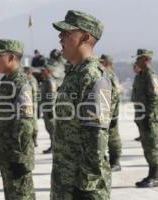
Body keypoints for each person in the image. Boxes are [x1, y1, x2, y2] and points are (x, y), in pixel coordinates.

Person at [51, 10, 112, 200]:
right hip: (65, 180)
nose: (60, 37)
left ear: (85, 37)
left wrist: (86, 186)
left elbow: (96, 137)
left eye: (67, 33)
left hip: (82, 186)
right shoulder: (75, 73)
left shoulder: (92, 76)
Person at [0, 39, 36, 200]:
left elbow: (25, 122)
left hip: (16, 157)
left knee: (22, 196)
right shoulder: (6, 82)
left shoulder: (21, 83)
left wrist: (20, 157)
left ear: (11, 58)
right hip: (6, 155)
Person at [132, 49, 158, 188]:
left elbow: (155, 99)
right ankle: (151, 174)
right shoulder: (140, 75)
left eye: (138, 59)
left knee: (152, 146)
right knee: (147, 147)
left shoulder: (150, 75)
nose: (136, 61)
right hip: (142, 117)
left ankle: (155, 176)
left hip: (149, 118)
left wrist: (150, 117)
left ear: (145, 59)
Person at [100, 54, 122, 172]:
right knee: (111, 136)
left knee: (113, 137)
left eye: (103, 61)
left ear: (108, 62)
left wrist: (110, 113)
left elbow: (113, 95)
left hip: (109, 112)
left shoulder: (108, 74)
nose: (101, 63)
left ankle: (115, 162)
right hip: (110, 111)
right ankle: (114, 161)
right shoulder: (110, 74)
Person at [40, 65, 57, 154]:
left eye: (43, 71)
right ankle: (53, 146)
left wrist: (50, 110)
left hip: (50, 109)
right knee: (49, 128)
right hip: (46, 109)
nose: (41, 73)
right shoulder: (45, 82)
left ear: (48, 71)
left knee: (52, 128)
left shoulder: (50, 81)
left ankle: (54, 147)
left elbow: (52, 96)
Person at [24, 66, 39, 147]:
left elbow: (33, 91)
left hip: (32, 103)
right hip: (29, 102)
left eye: (25, 71)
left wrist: (31, 102)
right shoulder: (27, 79)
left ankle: (35, 139)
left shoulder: (31, 79)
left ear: (28, 72)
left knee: (33, 120)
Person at [131, 62, 142, 142]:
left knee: (141, 120)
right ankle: (141, 135)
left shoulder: (143, 77)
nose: (133, 69)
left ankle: (143, 135)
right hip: (137, 103)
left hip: (142, 104)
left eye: (135, 67)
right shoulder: (137, 77)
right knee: (137, 120)